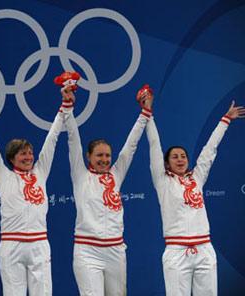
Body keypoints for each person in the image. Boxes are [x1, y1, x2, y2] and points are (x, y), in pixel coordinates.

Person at [0, 92, 70, 296]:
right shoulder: (3, 175)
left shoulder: (40, 172)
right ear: (12, 158)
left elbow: (52, 140)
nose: (29, 156)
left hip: (39, 244)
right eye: (23, 153)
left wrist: (64, 108)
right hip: (11, 245)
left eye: (30, 152)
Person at [144, 91, 245, 296]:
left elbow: (209, 150)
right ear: (166, 163)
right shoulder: (163, 182)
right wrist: (148, 115)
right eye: (175, 157)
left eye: (183, 156)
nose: (180, 159)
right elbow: (155, 146)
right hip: (176, 252)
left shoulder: (196, 178)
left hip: (204, 250)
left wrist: (225, 120)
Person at [63, 85, 153, 296]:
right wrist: (68, 108)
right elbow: (73, 140)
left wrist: (145, 113)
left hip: (115, 251)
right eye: (99, 156)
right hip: (87, 252)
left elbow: (131, 146)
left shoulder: (116, 174)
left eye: (107, 156)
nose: (104, 160)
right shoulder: (80, 175)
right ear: (88, 157)